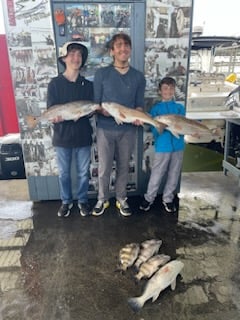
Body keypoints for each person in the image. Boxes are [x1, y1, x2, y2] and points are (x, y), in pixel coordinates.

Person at [92, 33, 146, 217]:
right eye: (119, 45)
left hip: (128, 130)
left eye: (126, 45)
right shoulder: (102, 74)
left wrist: (138, 116)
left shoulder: (138, 77)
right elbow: (96, 103)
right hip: (105, 129)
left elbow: (139, 104)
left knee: (124, 165)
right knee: (104, 167)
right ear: (112, 51)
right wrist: (103, 111)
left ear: (130, 49)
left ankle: (121, 198)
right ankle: (102, 199)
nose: (123, 49)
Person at [47, 41, 94, 218]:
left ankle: (82, 200)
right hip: (62, 137)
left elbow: (89, 113)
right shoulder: (55, 84)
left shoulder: (88, 85)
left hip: (83, 136)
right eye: (72, 54)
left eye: (79, 55)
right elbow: (51, 110)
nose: (76, 58)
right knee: (64, 174)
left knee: (83, 173)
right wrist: (55, 118)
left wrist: (90, 112)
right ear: (64, 58)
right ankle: (66, 201)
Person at [139, 77, 185, 213]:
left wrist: (192, 131)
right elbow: (154, 129)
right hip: (162, 146)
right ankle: (149, 198)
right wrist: (161, 127)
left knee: (174, 173)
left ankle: (168, 199)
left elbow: (184, 126)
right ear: (160, 91)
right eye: (165, 88)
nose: (168, 91)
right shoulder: (156, 109)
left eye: (171, 88)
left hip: (178, 145)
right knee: (157, 173)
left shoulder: (179, 108)